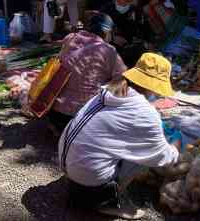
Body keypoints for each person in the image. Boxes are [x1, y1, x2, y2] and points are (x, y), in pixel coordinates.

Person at [58, 53, 181, 219]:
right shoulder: (145, 112)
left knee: (133, 142)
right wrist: (176, 145)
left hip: (68, 170)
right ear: (153, 86)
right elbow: (163, 157)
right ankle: (108, 202)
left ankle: (89, 191)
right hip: (90, 187)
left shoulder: (108, 91)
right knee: (145, 152)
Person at [47, 13, 127, 133]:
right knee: (120, 85)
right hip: (83, 117)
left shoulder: (71, 38)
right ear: (106, 32)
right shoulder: (108, 50)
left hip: (55, 113)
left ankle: (57, 126)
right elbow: (122, 77)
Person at [101, 0, 146, 66]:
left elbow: (142, 28)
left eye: (125, 1)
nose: (121, 4)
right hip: (111, 46)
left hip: (130, 47)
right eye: (117, 1)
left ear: (129, 0)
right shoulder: (106, 10)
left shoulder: (135, 11)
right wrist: (113, 38)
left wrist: (139, 40)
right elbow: (98, 30)